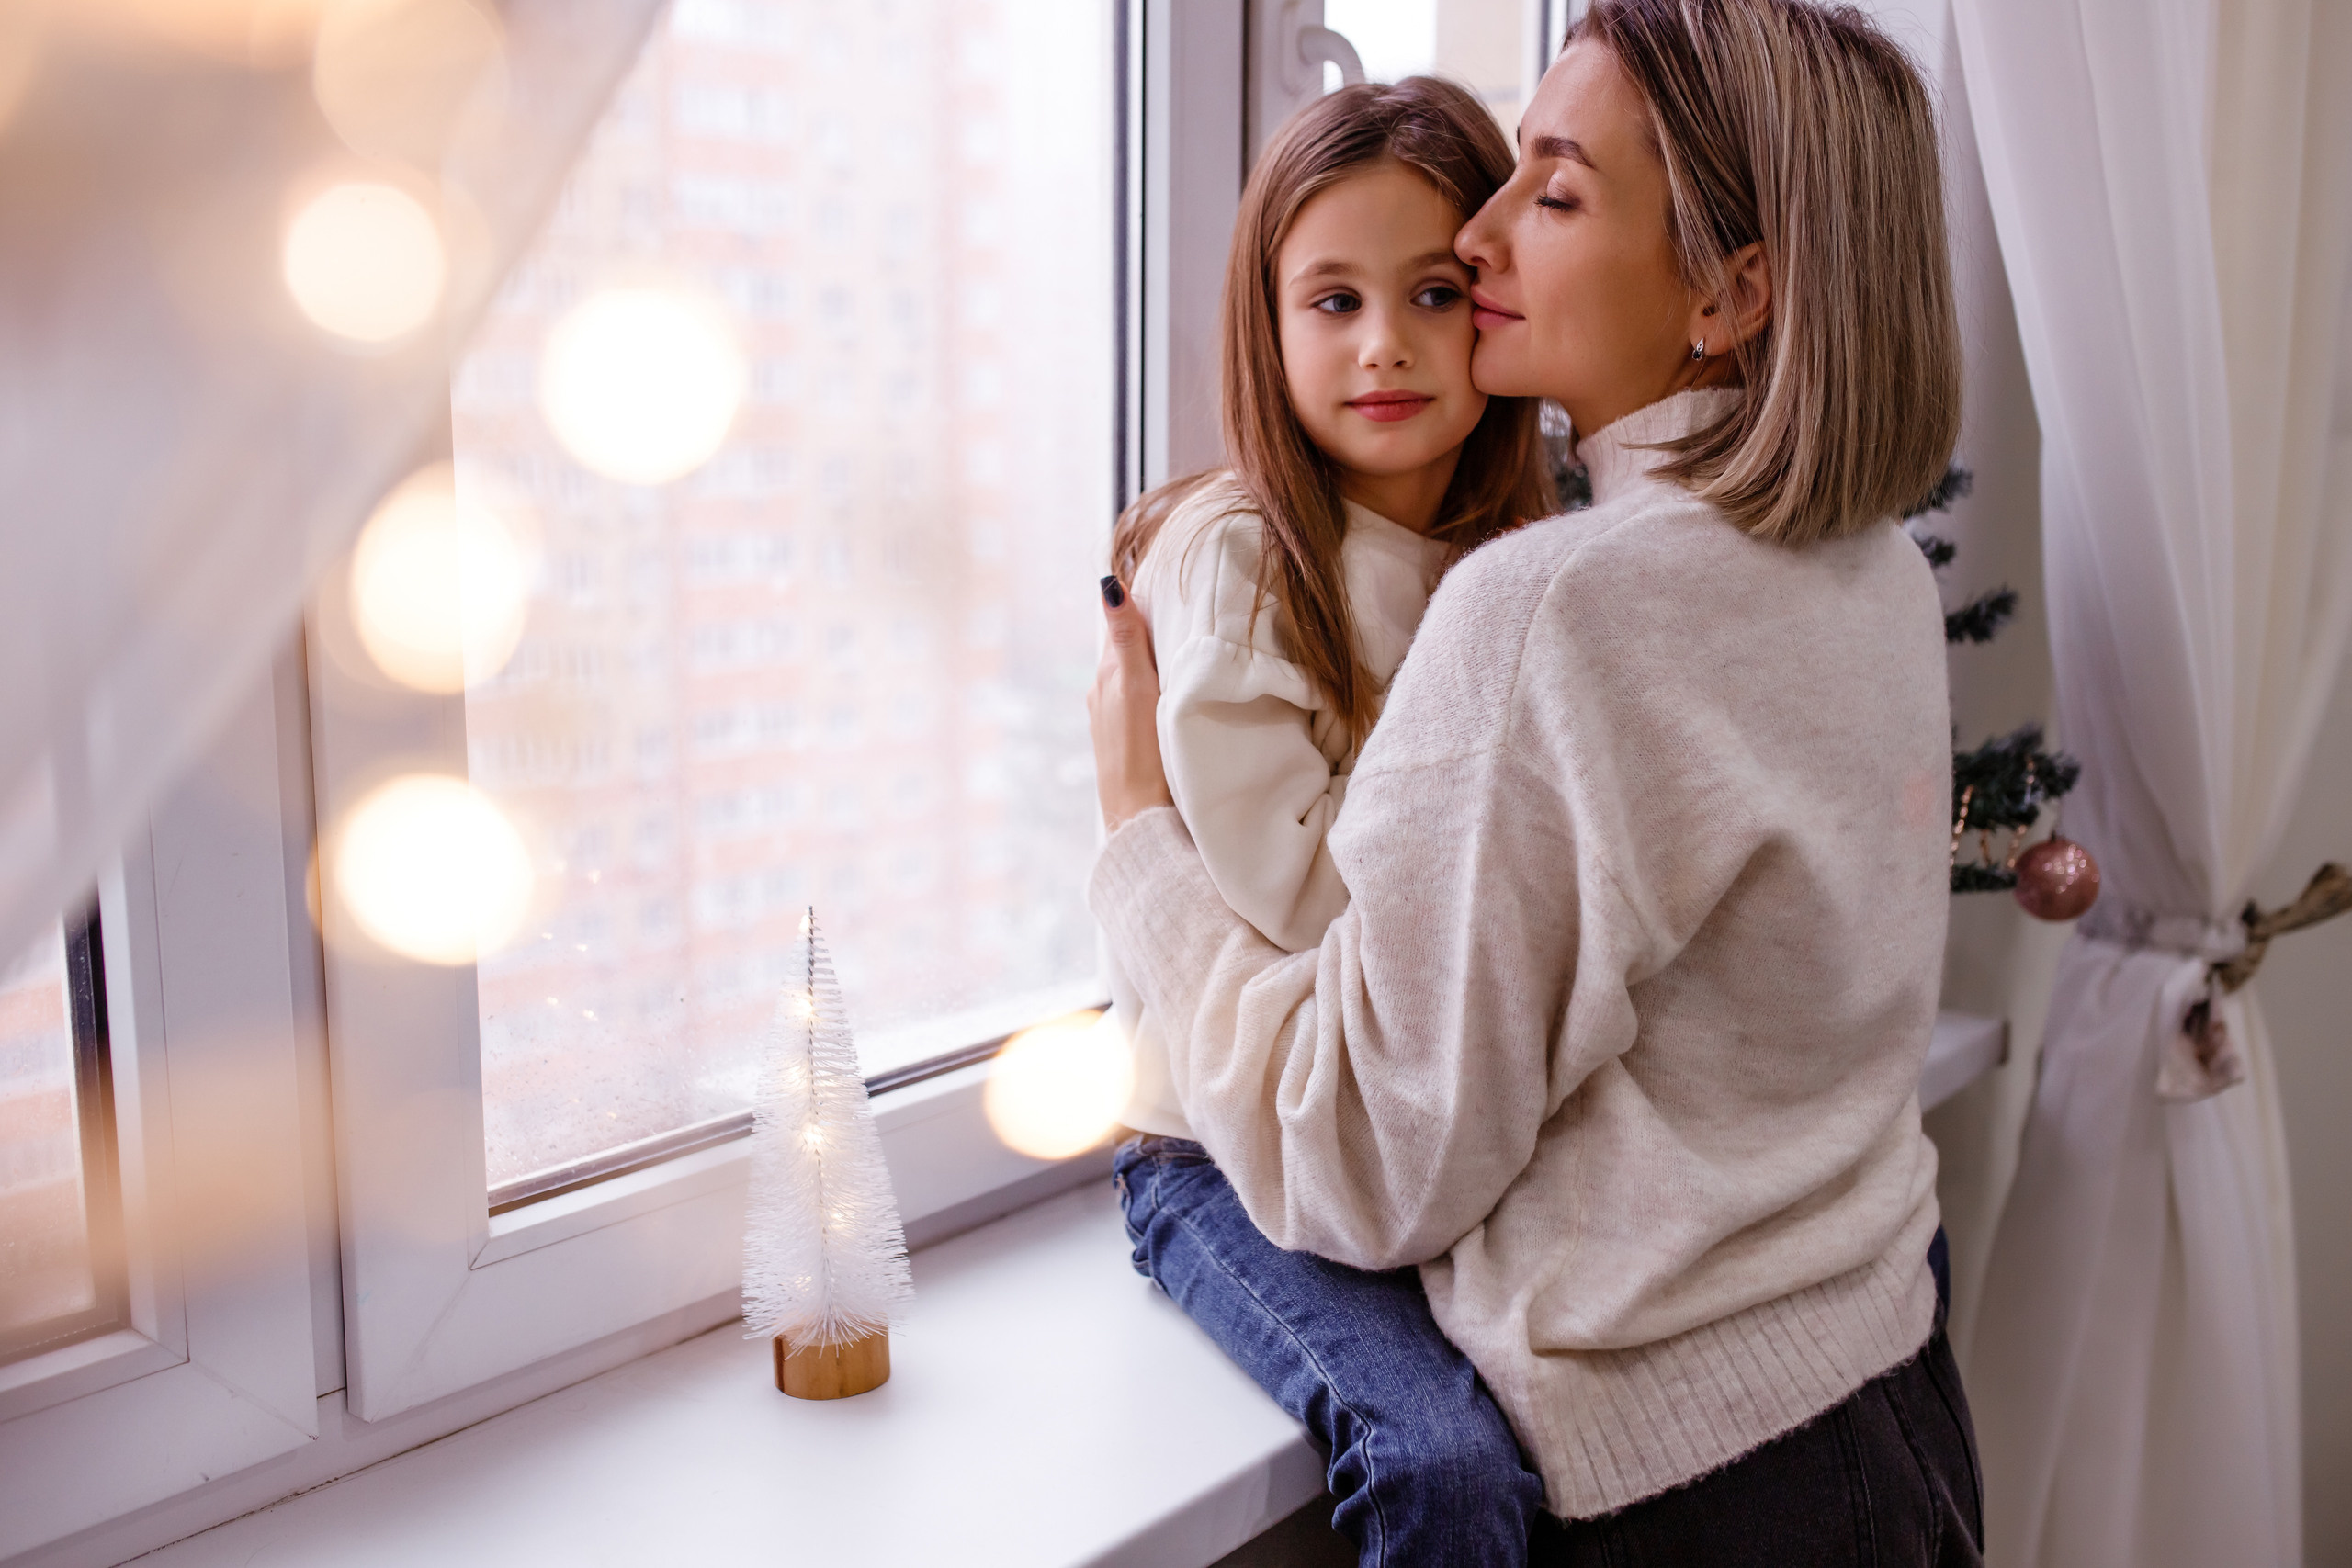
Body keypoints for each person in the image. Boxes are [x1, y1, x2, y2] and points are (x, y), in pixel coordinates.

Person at [1090, 0, 1984, 1562]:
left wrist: (1140, 844)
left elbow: (1362, 1162)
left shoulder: (1555, 608)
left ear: (1729, 290)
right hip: (1895, 1384)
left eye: (1553, 194)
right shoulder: (1873, 572)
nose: (1483, 231)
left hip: (1699, 1485)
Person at [1102, 77, 1558, 1567]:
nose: (1385, 345)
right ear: (1267, 322)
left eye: (1433, 291)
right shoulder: (1242, 555)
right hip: (1219, 1152)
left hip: (1408, 1121)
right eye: (1333, 298)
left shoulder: (1519, 554)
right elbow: (1311, 894)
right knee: (1442, 1467)